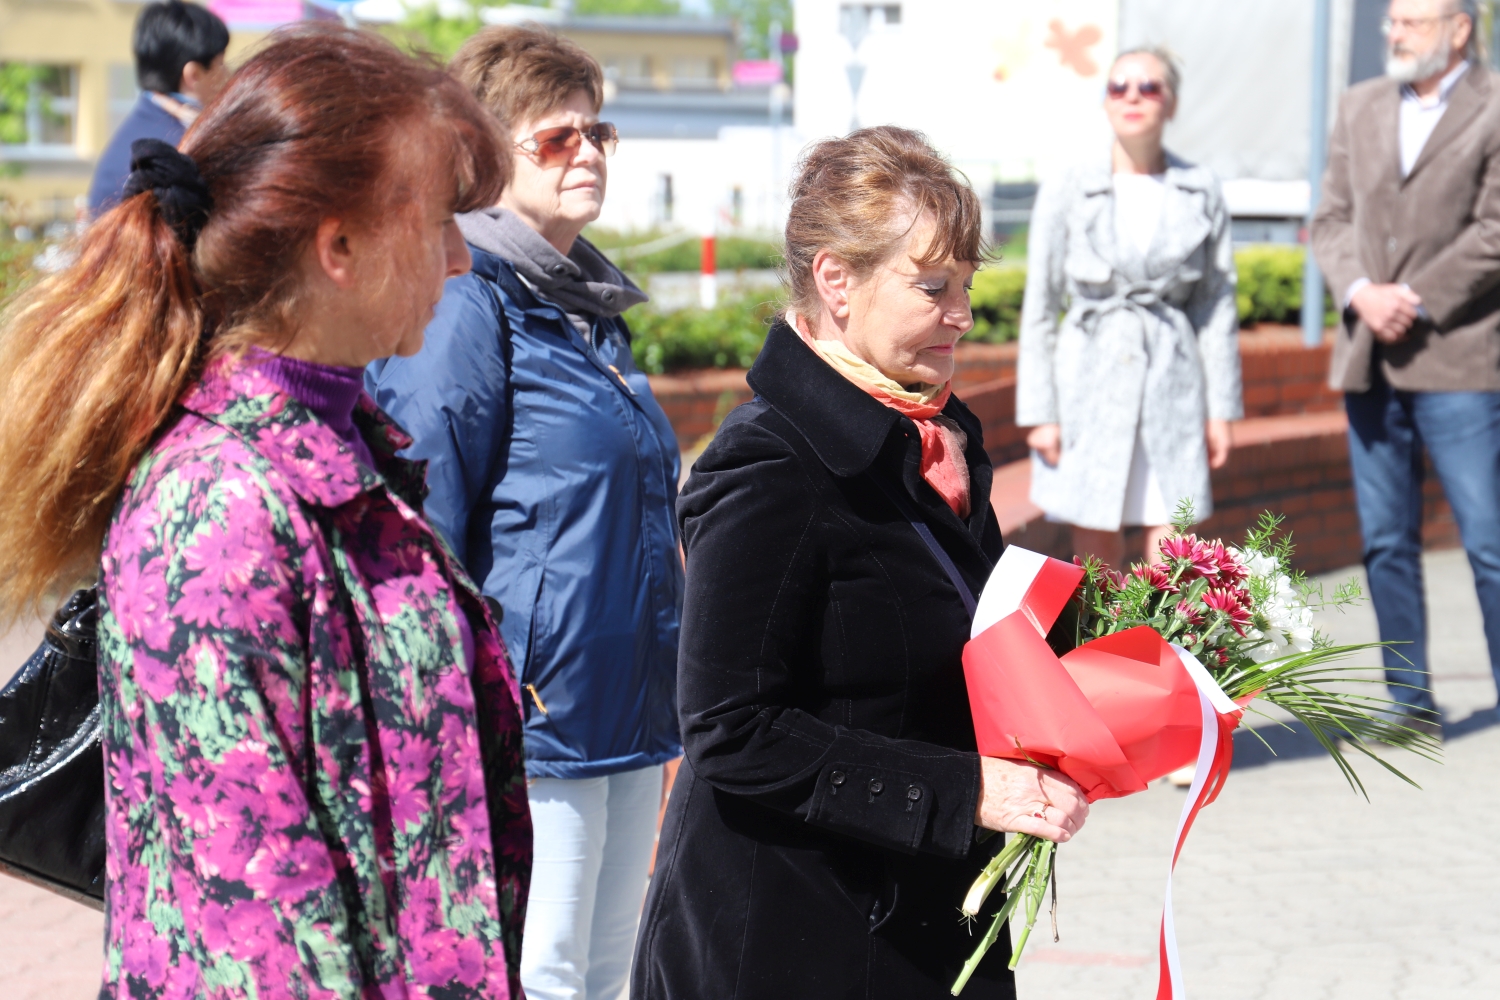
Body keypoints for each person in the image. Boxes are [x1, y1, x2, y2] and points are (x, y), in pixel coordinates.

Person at [0, 26, 531, 997]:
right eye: (441, 221)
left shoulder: (341, 452)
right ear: (339, 246)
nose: (460, 260)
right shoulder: (221, 508)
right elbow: (249, 931)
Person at [631, 126, 1090, 1000]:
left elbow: (964, 625)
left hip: (921, 915)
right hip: (793, 937)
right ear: (836, 281)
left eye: (966, 285)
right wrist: (966, 793)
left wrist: (1162, 648)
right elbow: (730, 729)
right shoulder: (769, 464)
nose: (961, 314)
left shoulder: (933, 433)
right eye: (931, 287)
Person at [366, 25, 682, 1000]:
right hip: (531, 706)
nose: (587, 153)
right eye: (557, 138)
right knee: (534, 969)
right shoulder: (468, 299)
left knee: (603, 966)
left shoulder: (589, 308)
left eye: (600, 133)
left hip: (625, 699)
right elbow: (424, 510)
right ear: (487, 155)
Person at [1311, 0, 1500, 737]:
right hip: (1371, 359)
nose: (1393, 32)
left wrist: (1414, 301)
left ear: (1459, 29)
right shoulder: (1359, 106)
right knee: (1386, 539)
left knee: (1487, 543)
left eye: (1411, 21)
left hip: (1459, 358)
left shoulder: (1492, 106)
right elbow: (1329, 219)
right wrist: (1364, 292)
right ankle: (1409, 698)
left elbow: (1494, 231)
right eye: (1392, 20)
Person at [1017, 47, 1242, 570]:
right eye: (1119, 86)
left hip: (1173, 377)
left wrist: (1221, 409)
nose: (1133, 96)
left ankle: (1164, 649)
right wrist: (1040, 413)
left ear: (1173, 102)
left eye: (1149, 86)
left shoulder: (1200, 188)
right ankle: (1104, 651)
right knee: (1094, 534)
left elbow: (1215, 303)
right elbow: (1042, 304)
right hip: (1088, 381)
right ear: (1105, 101)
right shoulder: (1069, 186)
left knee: (1173, 538)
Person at [87, 0, 230, 216]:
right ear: (194, 75)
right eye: (221, 63)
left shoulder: (139, 128)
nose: (227, 74)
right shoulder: (185, 148)